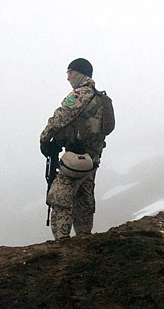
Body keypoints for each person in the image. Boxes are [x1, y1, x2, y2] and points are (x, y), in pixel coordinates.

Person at [39, 58, 111, 240]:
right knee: (84, 198)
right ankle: (84, 239)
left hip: (75, 158)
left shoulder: (80, 94)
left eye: (69, 72)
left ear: (79, 73)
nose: (68, 78)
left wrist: (44, 138)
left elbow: (60, 117)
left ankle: (62, 242)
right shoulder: (100, 98)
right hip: (93, 157)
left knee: (60, 197)